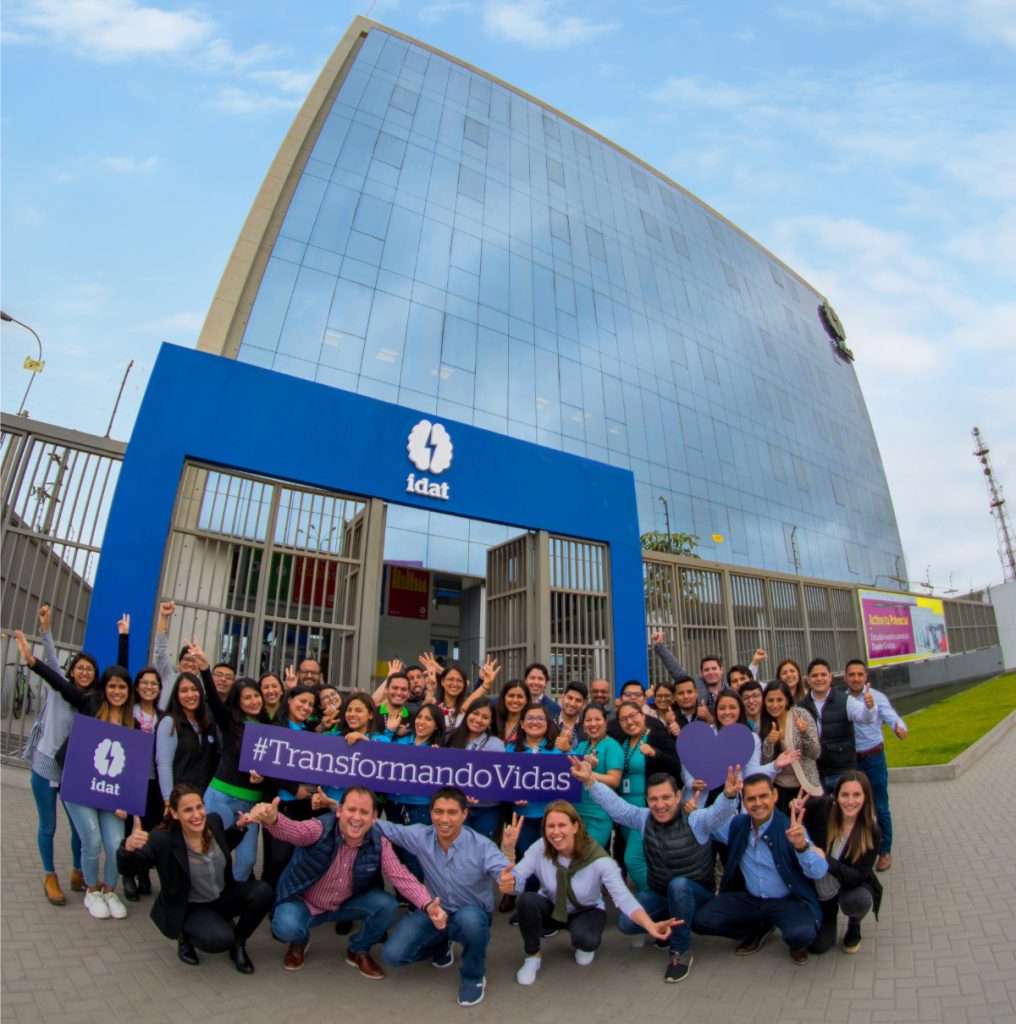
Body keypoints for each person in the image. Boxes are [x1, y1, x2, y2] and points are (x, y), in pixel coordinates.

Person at [570, 758, 744, 983]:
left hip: (697, 894)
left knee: (678, 885)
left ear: (678, 796)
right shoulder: (643, 818)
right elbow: (617, 807)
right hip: (661, 894)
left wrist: (728, 796)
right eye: (653, 799)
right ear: (647, 800)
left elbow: (716, 815)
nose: (660, 805)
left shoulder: (695, 820)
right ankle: (668, 927)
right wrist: (590, 781)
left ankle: (680, 950)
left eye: (665, 797)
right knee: (626, 923)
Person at [242, 787, 442, 977]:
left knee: (387, 905)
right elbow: (296, 831)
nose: (356, 818)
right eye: (351, 810)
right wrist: (274, 819)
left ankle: (358, 950)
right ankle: (300, 941)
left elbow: (401, 876)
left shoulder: (379, 841)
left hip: (346, 902)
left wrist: (427, 904)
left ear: (374, 817)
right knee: (284, 926)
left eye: (364, 812)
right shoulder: (321, 827)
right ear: (339, 811)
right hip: (306, 903)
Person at [15, 627, 134, 921]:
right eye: (112, 686)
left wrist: (124, 637)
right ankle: (61, 878)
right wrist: (32, 660)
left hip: (101, 787)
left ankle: (91, 880)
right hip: (68, 775)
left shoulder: (129, 718)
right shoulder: (90, 702)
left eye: (122, 687)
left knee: (100, 839)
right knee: (67, 830)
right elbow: (57, 679)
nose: (117, 691)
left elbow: (121, 675)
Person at [499, 801, 679, 984]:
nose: (556, 832)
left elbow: (623, 898)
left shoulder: (597, 857)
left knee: (586, 941)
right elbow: (514, 880)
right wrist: (508, 853)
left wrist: (649, 924)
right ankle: (532, 957)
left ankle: (583, 943)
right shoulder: (540, 848)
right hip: (553, 906)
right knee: (527, 901)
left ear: (575, 826)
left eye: (562, 825)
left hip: (586, 909)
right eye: (550, 826)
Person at [378, 786, 513, 1007]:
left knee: (470, 921)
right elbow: (385, 827)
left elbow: (506, 877)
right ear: (430, 812)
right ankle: (441, 943)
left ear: (464, 814)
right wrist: (339, 808)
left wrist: (509, 874)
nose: (444, 819)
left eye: (452, 812)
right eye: (438, 812)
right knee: (393, 955)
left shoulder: (482, 846)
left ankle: (473, 976)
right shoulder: (421, 835)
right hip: (435, 912)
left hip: (471, 914)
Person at [118, 784, 273, 972]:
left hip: (222, 895)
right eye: (188, 810)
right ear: (175, 814)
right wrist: (127, 847)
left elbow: (224, 846)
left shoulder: (213, 822)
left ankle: (238, 944)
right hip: (191, 905)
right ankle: (184, 937)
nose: (197, 815)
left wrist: (239, 827)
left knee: (263, 891)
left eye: (199, 807)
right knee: (219, 940)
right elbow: (129, 869)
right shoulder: (162, 839)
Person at [691, 774, 828, 964]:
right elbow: (704, 825)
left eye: (763, 796)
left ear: (774, 795)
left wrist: (802, 847)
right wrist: (723, 799)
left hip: (786, 900)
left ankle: (795, 943)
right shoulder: (738, 824)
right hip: (750, 899)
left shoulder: (790, 828)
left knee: (802, 934)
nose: (757, 804)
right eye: (751, 799)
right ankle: (756, 931)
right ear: (744, 801)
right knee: (701, 921)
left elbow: (818, 871)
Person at [20, 604, 88, 905]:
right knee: (48, 825)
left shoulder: (91, 701)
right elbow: (49, 658)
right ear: (71, 671)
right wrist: (45, 628)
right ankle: (50, 876)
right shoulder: (60, 688)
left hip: (73, 770)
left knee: (78, 827)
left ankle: (78, 872)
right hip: (47, 765)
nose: (84, 672)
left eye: (89, 669)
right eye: (79, 668)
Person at [800, 771, 883, 954]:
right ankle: (827, 918)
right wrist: (796, 809)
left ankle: (854, 925)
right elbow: (796, 820)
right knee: (818, 946)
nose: (850, 801)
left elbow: (856, 877)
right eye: (845, 795)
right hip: (823, 886)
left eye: (857, 795)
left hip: (849, 884)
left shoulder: (872, 831)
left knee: (858, 900)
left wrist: (825, 858)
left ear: (866, 797)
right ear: (836, 796)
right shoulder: (822, 808)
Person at [201, 675, 270, 882]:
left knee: (247, 860)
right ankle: (207, 896)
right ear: (237, 702)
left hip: (251, 805)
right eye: (247, 698)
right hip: (222, 797)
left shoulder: (269, 726)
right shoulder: (229, 720)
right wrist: (205, 670)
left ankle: (230, 895)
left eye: (256, 695)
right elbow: (214, 699)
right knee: (212, 854)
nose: (254, 701)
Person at [611, 700, 682, 891]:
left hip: (646, 810)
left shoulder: (656, 736)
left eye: (633, 716)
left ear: (643, 716)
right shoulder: (623, 743)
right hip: (625, 811)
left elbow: (676, 766)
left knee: (633, 859)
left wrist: (654, 753)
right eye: (623, 719)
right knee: (644, 858)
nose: (629, 721)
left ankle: (654, 898)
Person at [843, 659, 906, 872]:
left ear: (865, 676)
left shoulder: (876, 697)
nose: (856, 679)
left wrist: (899, 728)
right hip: (852, 761)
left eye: (859, 674)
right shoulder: (841, 700)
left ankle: (884, 850)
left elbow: (892, 717)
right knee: (854, 807)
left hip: (874, 759)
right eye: (852, 675)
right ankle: (859, 849)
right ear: (845, 678)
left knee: (880, 805)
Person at [796, 658, 876, 792]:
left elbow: (866, 718)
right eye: (814, 675)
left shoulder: (845, 701)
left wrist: (870, 707)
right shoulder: (801, 707)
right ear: (808, 680)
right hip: (815, 774)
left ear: (830, 677)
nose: (819, 679)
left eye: (823, 675)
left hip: (842, 772)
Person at [125, 662, 165, 900]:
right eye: (145, 683)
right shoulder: (128, 712)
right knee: (129, 827)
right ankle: (127, 874)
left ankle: (143, 871)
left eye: (154, 683)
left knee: (149, 827)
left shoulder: (164, 717)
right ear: (137, 686)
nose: (149, 687)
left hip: (153, 782)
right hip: (129, 779)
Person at [155, 672, 219, 811]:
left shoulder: (208, 724)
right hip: (178, 803)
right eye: (184, 691)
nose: (190, 695)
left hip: (203, 801)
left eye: (194, 689)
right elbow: (164, 765)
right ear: (176, 695)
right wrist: (168, 801)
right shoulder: (169, 723)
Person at [443, 700, 504, 840]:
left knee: (482, 849)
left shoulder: (496, 745)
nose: (478, 719)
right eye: (475, 713)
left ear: (491, 721)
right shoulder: (449, 738)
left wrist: (480, 791)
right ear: (467, 714)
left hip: (486, 810)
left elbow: (499, 778)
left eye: (485, 717)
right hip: (454, 807)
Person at [759, 680, 822, 810]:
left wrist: (805, 733)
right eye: (770, 700)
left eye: (779, 700)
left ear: (787, 700)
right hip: (778, 790)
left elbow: (815, 753)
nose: (774, 705)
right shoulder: (762, 724)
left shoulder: (801, 715)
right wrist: (769, 743)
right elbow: (763, 764)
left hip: (805, 787)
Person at [570, 704, 623, 847]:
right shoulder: (581, 746)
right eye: (588, 720)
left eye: (597, 719)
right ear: (583, 725)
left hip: (598, 815)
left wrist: (589, 774)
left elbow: (615, 780)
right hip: (576, 814)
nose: (593, 724)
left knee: (588, 855)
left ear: (605, 723)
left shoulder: (611, 746)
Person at [650, 632, 723, 718]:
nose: (710, 672)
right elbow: (676, 669)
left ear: (721, 670)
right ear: (701, 672)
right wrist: (659, 645)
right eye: (706, 670)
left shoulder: (730, 691)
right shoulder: (695, 683)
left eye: (714, 668)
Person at [494, 679, 529, 746]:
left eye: (520, 696)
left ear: (526, 700)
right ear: (504, 698)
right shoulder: (493, 721)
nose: (515, 700)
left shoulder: (531, 724)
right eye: (511, 696)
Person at [554, 681, 588, 748]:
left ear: (584, 704)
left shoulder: (587, 727)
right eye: (569, 698)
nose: (572, 703)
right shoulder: (549, 724)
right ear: (562, 697)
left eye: (578, 700)